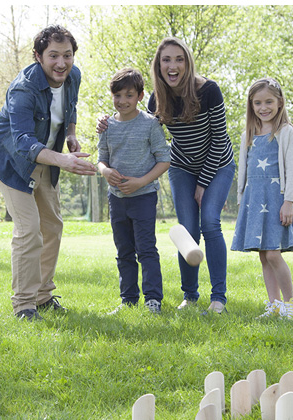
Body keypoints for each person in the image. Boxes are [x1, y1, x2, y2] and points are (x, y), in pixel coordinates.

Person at [97, 37, 235, 314]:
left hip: (217, 165)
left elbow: (220, 140)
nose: (173, 66)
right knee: (187, 229)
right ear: (158, 66)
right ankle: (190, 295)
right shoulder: (156, 99)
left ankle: (218, 297)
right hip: (182, 167)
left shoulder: (209, 91)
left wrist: (203, 183)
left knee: (209, 223)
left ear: (187, 63)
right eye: (166, 60)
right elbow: (133, 123)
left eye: (179, 59)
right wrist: (105, 120)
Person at [0, 24, 96, 321]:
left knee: (53, 227)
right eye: (53, 56)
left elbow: (70, 107)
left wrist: (71, 135)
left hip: (47, 159)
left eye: (67, 55)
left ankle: (43, 296)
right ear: (38, 56)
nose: (61, 63)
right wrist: (63, 160)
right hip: (11, 162)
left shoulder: (73, 75)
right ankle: (24, 305)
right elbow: (22, 142)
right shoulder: (24, 88)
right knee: (29, 230)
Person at [97, 68, 171, 313]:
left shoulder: (150, 124)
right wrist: (106, 172)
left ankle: (153, 300)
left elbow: (164, 160)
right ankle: (128, 300)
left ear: (140, 96)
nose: (122, 101)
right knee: (124, 251)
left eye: (129, 95)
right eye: (117, 95)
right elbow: (102, 160)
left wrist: (141, 182)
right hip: (117, 199)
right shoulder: (107, 125)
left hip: (143, 197)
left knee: (146, 249)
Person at [231, 77, 293, 319]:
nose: (263, 108)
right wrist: (241, 202)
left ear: (280, 102)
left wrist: (289, 201)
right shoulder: (248, 135)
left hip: (276, 199)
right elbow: (243, 171)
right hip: (254, 200)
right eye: (257, 103)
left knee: (274, 252)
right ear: (251, 105)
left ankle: (290, 303)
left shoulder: (285, 132)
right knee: (263, 255)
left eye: (269, 102)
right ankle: (274, 305)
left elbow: (292, 170)